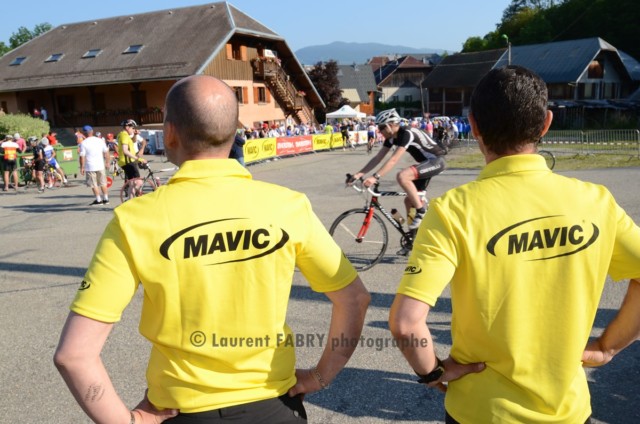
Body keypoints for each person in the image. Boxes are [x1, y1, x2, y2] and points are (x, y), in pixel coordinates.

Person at [54, 75, 370, 424]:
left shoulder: (135, 219)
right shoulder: (287, 206)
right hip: (275, 407)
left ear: (170, 132)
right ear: (234, 131)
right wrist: (321, 376)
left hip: (183, 410)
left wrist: (127, 422)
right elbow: (354, 299)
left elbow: (74, 355)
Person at [388, 66, 640, 424]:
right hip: (567, 410)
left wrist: (433, 372)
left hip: (480, 410)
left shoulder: (454, 210)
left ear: (473, 126)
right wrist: (608, 346)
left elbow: (406, 323)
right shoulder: (595, 201)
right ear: (546, 123)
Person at [349, 108, 447, 251]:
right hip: (425, 164)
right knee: (409, 200)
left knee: (402, 176)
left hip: (436, 161)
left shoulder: (406, 133)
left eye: (382, 127)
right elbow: (378, 158)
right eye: (378, 127)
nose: (379, 130)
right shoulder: (391, 138)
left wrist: (375, 177)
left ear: (392, 124)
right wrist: (358, 174)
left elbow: (393, 160)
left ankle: (422, 211)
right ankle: (413, 239)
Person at [78, 125, 110, 205]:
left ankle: (98, 200)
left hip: (90, 166)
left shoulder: (83, 143)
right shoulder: (100, 141)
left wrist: (82, 167)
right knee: (103, 183)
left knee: (94, 184)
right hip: (100, 165)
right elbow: (106, 152)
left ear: (84, 134)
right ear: (92, 131)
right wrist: (107, 162)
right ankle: (106, 199)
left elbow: (82, 156)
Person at [117, 119, 147, 196]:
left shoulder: (124, 135)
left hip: (127, 161)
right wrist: (139, 159)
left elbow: (133, 141)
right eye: (133, 128)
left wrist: (135, 134)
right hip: (128, 161)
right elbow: (125, 150)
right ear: (127, 127)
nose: (134, 130)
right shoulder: (124, 135)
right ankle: (137, 195)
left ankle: (131, 199)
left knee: (132, 183)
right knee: (138, 182)